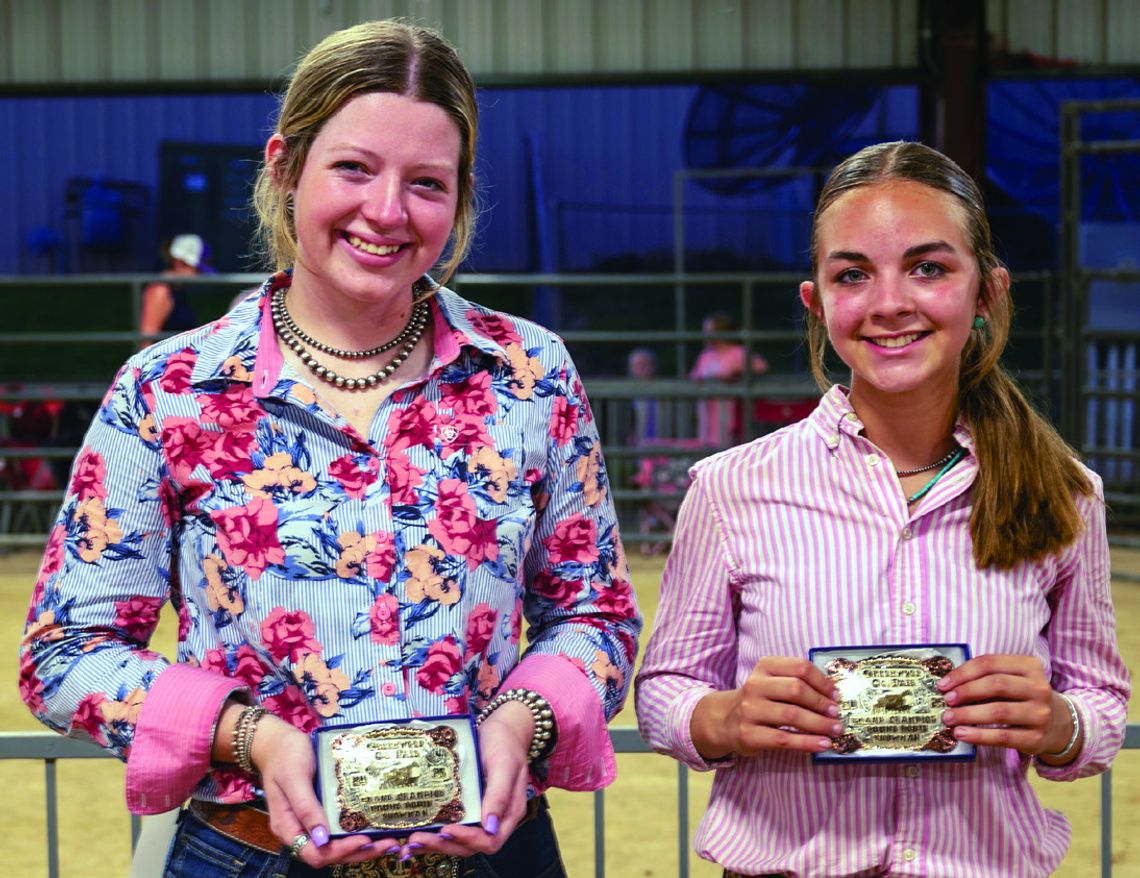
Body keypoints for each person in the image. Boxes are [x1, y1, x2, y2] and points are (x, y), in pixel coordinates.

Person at [21, 20, 640, 878]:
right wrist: (251, 736)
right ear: (284, 167)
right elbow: (67, 651)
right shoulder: (169, 390)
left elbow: (596, 618)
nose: (386, 211)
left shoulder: (531, 374)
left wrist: (519, 722)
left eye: (427, 183)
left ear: (460, 199)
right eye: (353, 168)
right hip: (252, 855)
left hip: (495, 855)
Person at [635, 141, 1129, 877]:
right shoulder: (730, 488)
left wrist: (1061, 723)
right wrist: (723, 718)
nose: (890, 303)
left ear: (987, 292)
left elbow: (1101, 701)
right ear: (817, 302)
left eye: (928, 268)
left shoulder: (1064, 493)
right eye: (853, 275)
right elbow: (664, 690)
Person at [689, 311, 769, 446]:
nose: (705, 335)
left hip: (730, 410)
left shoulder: (738, 352)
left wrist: (737, 374)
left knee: (728, 443)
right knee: (707, 443)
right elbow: (694, 376)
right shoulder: (706, 355)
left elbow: (761, 367)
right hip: (707, 411)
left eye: (709, 331)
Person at [139, 233, 210, 343]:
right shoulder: (160, 290)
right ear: (179, 263)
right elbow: (146, 340)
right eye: (197, 269)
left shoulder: (178, 290)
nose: (200, 274)